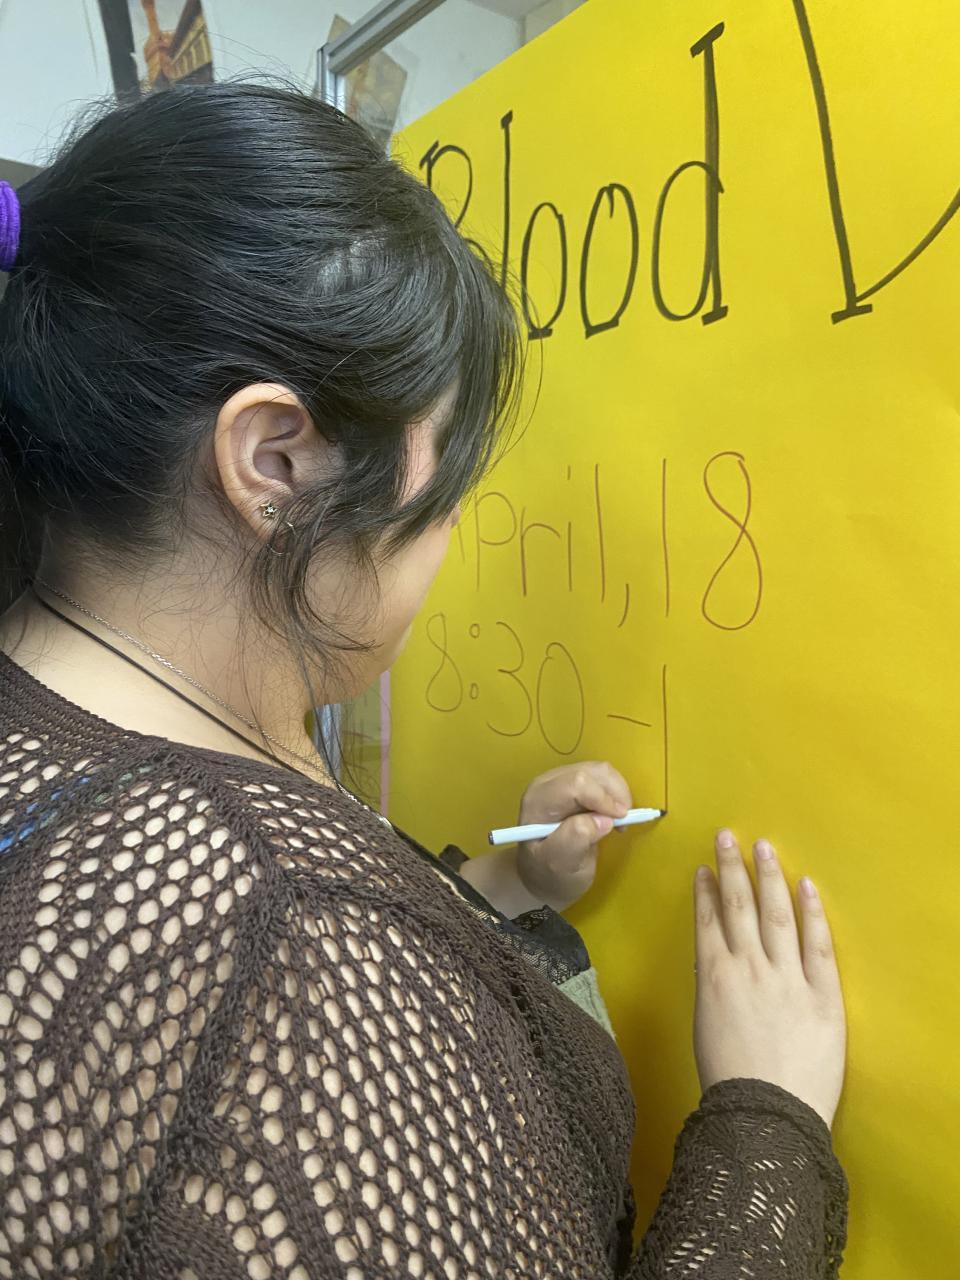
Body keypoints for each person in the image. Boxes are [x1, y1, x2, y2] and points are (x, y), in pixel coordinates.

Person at [0, 84, 847, 1278]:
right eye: (444, 489)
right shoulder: (288, 952)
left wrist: (499, 887)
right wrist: (769, 1120)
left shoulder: (62, 708)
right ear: (274, 460)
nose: (449, 542)